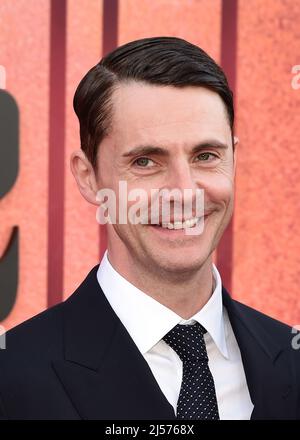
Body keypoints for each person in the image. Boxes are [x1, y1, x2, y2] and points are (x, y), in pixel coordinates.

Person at [0, 36, 299, 420]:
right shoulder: (13, 379)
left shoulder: (290, 357)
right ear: (88, 176)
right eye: (145, 162)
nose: (184, 191)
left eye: (206, 156)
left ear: (235, 160)